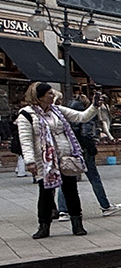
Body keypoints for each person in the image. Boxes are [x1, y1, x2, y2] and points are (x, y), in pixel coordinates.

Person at [16, 82, 97, 238]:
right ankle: (44, 226)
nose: (53, 96)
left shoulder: (57, 110)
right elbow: (25, 140)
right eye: (49, 94)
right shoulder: (26, 114)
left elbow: (81, 117)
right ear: (39, 97)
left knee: (71, 190)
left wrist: (95, 106)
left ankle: (77, 223)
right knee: (46, 193)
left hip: (65, 157)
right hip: (44, 160)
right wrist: (30, 161)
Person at [56, 93, 121, 219]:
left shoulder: (65, 114)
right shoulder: (85, 115)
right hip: (83, 151)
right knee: (94, 178)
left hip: (69, 150)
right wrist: (92, 149)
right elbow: (86, 134)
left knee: (67, 179)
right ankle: (105, 205)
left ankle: (63, 210)